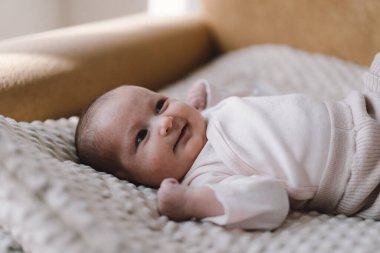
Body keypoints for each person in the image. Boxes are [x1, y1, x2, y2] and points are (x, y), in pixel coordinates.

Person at [75, 53, 380, 230]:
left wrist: (207, 95)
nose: (165, 122)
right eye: (142, 136)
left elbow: (251, 103)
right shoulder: (205, 178)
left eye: (159, 105)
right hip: (361, 175)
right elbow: (271, 201)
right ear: (129, 176)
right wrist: (195, 203)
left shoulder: (205, 117)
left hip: (362, 107)